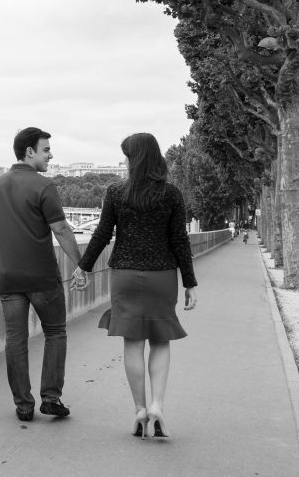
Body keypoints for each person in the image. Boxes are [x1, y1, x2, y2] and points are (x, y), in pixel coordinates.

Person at [72, 133, 198, 439]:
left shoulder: (116, 192)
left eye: (127, 156)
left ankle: (140, 409)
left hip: (126, 274)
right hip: (162, 275)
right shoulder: (171, 194)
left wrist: (83, 266)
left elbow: (101, 234)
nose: (125, 161)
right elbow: (179, 240)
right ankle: (157, 405)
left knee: (132, 343)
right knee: (160, 340)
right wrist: (189, 282)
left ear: (135, 159)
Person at [0, 126, 88, 422]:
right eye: (45, 150)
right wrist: (80, 264)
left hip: (8, 278)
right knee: (55, 332)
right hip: (42, 277)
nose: (50, 155)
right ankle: (51, 397)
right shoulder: (44, 186)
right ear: (29, 152)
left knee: (15, 340)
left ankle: (23, 405)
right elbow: (61, 230)